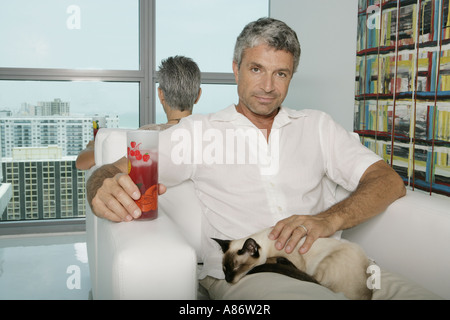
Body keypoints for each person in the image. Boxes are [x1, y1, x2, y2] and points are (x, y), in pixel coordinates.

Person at [86, 18, 440, 299]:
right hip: (251, 274)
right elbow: (109, 170)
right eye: (257, 69)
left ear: (291, 76)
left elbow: (388, 181)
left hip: (334, 260)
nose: (268, 86)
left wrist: (328, 220)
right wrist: (101, 187)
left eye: (280, 73)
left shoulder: (317, 126)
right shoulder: (198, 132)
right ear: (236, 68)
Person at [75, 55, 202, 170]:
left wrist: (92, 146)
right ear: (198, 95)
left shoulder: (147, 135)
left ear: (160, 94)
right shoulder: (209, 135)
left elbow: (81, 163)